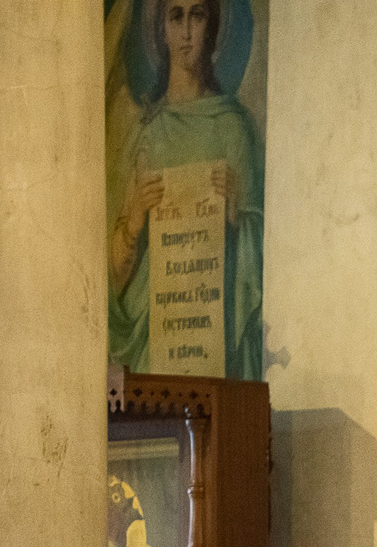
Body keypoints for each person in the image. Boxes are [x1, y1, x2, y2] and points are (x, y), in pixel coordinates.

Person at [109, 0, 265, 379]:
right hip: (151, 338)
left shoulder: (232, 129)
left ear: (212, 28)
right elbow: (113, 275)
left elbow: (258, 263)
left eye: (197, 15)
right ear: (161, 30)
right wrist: (133, 221)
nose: (187, 32)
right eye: (175, 16)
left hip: (211, 331)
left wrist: (235, 219)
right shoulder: (147, 134)